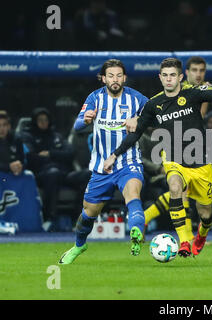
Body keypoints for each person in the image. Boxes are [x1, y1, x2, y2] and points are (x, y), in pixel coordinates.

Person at [104, 57, 212, 257]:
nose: (168, 79)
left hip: (200, 162)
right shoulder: (154, 104)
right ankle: (184, 241)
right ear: (160, 77)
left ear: (180, 77)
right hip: (174, 158)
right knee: (175, 187)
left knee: (205, 213)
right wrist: (115, 154)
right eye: (165, 75)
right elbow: (136, 133)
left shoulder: (192, 93)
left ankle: (202, 233)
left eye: (173, 75)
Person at [58, 59, 148, 264]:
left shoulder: (137, 99)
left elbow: (156, 116)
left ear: (124, 78)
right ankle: (79, 245)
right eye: (110, 76)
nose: (115, 80)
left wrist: (139, 120)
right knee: (88, 214)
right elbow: (77, 125)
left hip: (128, 161)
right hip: (101, 168)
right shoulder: (94, 98)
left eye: (119, 76)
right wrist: (86, 119)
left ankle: (135, 233)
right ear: (103, 78)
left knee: (133, 194)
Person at [142, 56, 212, 240]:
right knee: (179, 190)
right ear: (186, 73)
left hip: (196, 147)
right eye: (194, 70)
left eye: (202, 71)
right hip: (173, 145)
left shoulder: (203, 89)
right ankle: (187, 238)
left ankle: (147, 216)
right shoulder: (179, 90)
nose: (198, 74)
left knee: (191, 196)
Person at [21, 107, 74, 229]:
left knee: (87, 175)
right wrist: (58, 157)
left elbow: (70, 153)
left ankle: (79, 219)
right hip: (41, 174)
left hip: (63, 172)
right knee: (52, 173)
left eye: (46, 119)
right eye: (40, 120)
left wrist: (50, 154)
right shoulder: (27, 136)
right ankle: (49, 218)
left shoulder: (56, 136)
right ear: (34, 121)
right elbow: (32, 158)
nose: (43, 122)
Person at [0, 111, 42, 232]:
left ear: (8, 126)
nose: (1, 129)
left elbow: (23, 159)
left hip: (13, 175)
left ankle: (30, 222)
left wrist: (20, 166)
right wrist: (8, 166)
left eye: (4, 125)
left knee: (29, 176)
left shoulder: (16, 139)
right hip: (2, 174)